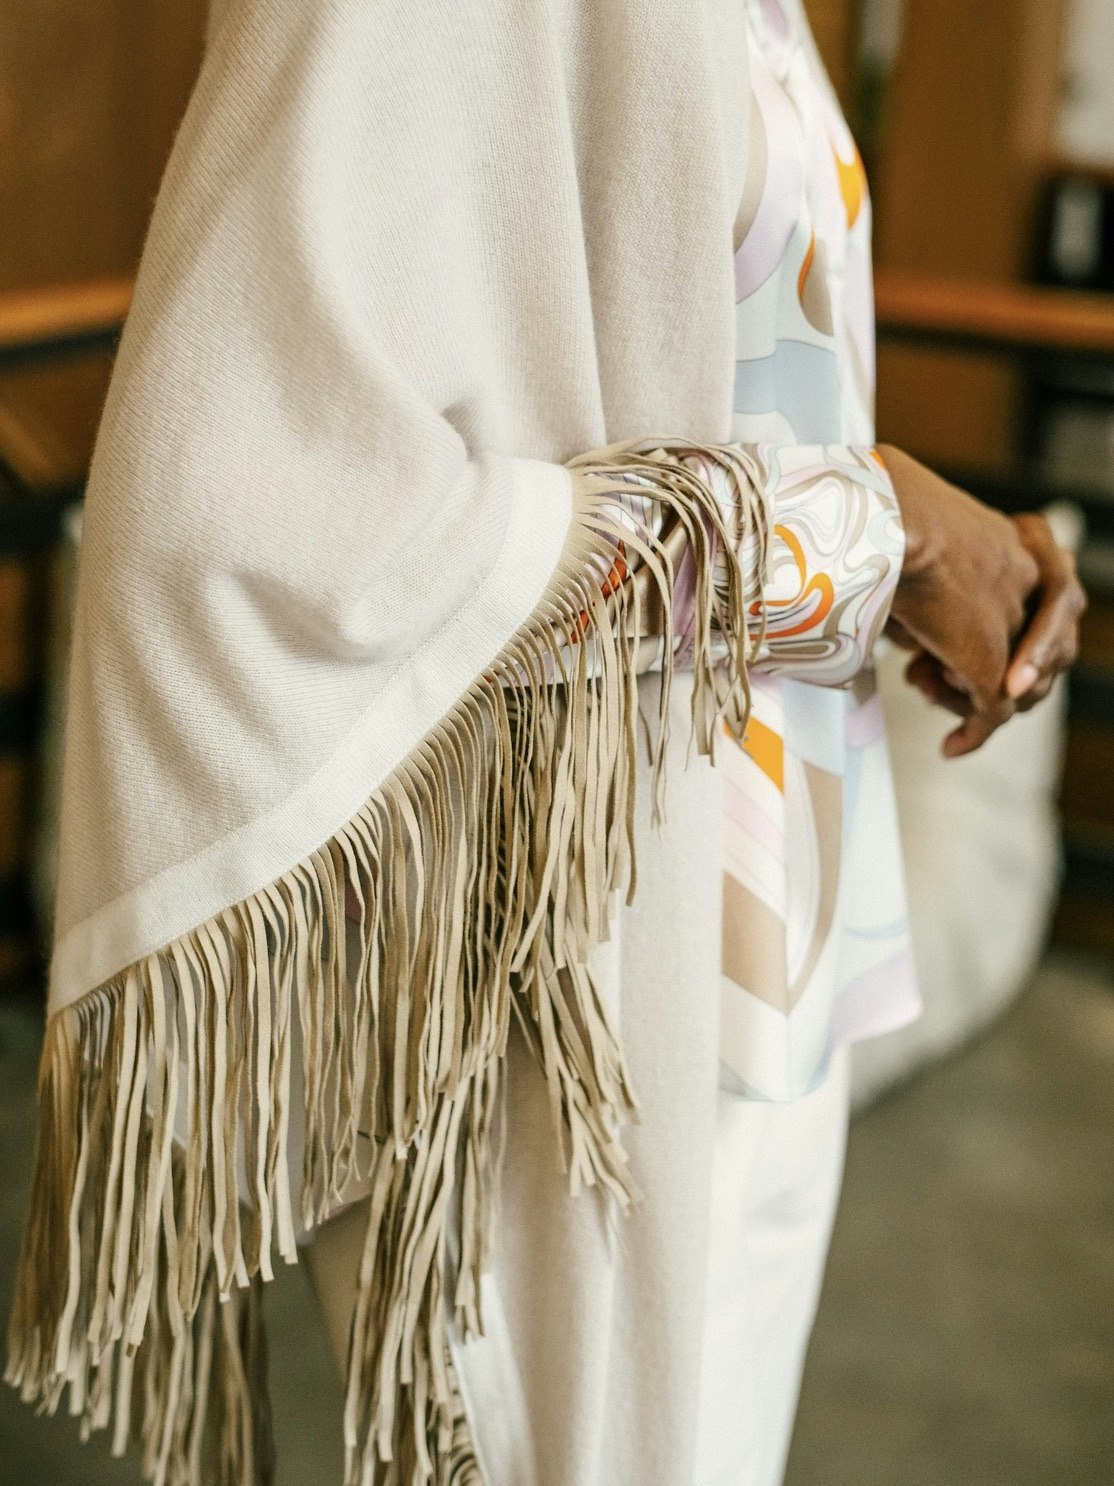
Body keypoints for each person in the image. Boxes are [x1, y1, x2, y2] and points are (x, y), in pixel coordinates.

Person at [6, 3, 1084, 1485]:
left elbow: (706, 382)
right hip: (562, 988)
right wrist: (878, 536)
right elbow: (253, 513)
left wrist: (931, 539)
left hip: (775, 941)